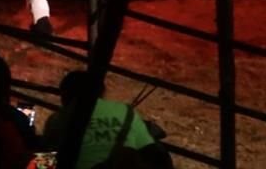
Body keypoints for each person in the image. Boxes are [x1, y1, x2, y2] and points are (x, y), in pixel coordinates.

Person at [42, 70, 172, 169]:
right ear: (101, 92)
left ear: (65, 95)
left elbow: (48, 158)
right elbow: (151, 149)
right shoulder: (126, 111)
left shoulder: (57, 119)